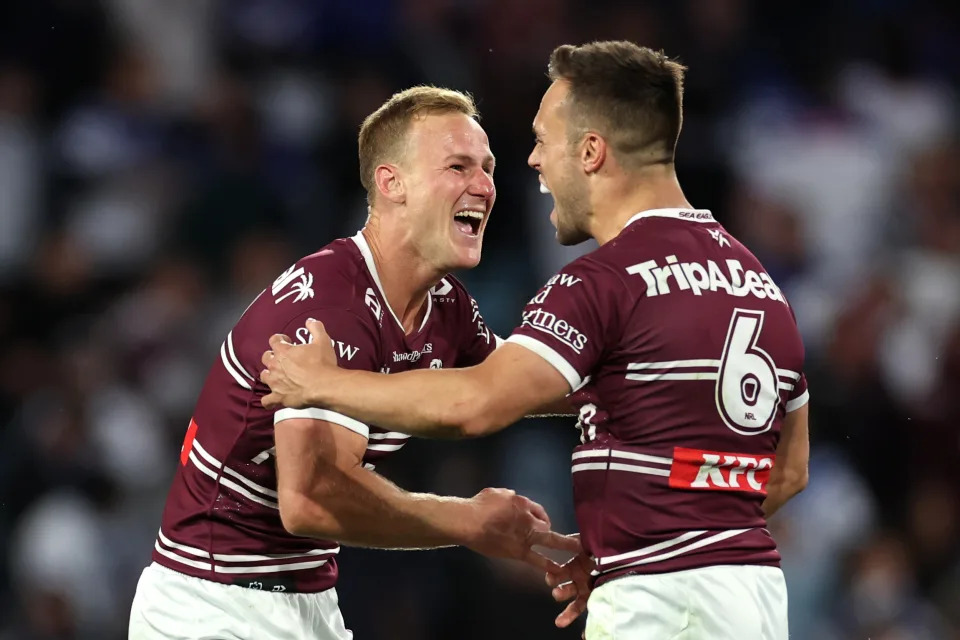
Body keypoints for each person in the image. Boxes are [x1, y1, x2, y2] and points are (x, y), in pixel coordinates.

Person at [259, 41, 811, 640]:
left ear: (592, 152)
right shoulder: (760, 285)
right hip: (752, 598)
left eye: (544, 140)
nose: (532, 162)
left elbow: (477, 404)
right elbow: (788, 471)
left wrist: (324, 383)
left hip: (662, 608)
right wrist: (648, 545)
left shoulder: (604, 282)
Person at [128, 86, 578, 640]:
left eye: (486, 168)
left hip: (307, 601)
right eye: (458, 166)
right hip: (213, 605)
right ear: (392, 183)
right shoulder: (328, 306)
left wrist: (655, 380)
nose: (483, 185)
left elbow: (514, 387)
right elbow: (310, 499)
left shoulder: (447, 305)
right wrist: (467, 520)